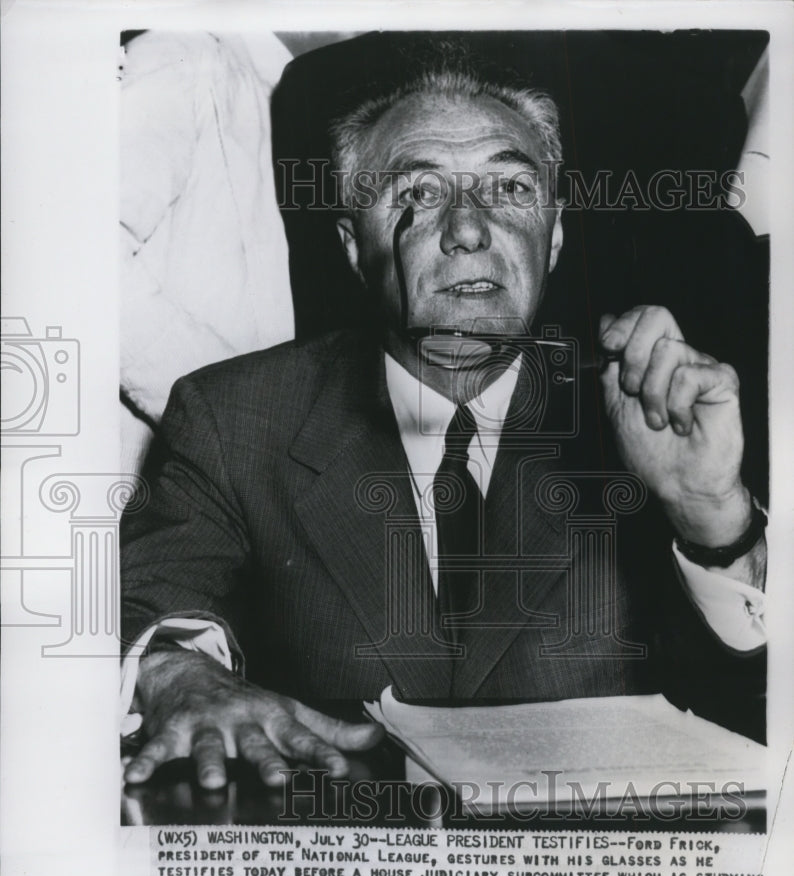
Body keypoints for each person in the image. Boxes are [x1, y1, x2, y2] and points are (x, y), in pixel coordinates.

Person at [120, 63, 767, 793]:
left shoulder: (661, 413)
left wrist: (715, 519)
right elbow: (142, 604)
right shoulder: (233, 415)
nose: (467, 229)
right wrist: (177, 670)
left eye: (511, 188)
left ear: (553, 239)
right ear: (351, 246)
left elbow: (758, 715)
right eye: (418, 194)